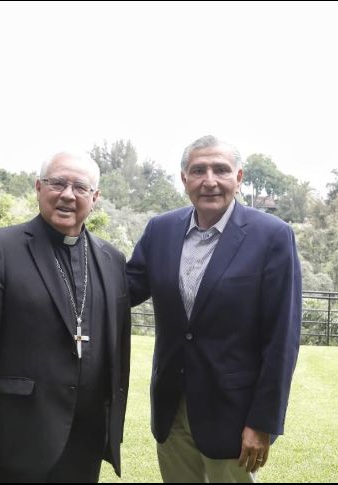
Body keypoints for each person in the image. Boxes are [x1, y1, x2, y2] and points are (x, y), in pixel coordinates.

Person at [126, 135, 302, 483]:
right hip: (170, 408)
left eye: (220, 170)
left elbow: (282, 337)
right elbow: (123, 289)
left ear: (238, 178)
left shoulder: (272, 236)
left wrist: (262, 422)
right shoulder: (160, 230)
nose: (209, 180)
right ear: (184, 179)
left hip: (233, 414)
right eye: (198, 170)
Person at [0, 151, 131, 483]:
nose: (67, 194)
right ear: (38, 187)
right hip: (16, 440)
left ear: (95, 197)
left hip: (85, 440)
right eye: (57, 183)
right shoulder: (0, 249)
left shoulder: (112, 259)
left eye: (79, 187)